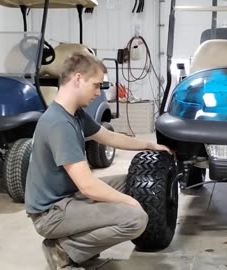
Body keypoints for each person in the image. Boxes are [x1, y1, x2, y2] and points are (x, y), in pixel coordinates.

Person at [24, 51, 172, 270]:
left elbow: (109, 137)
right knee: (135, 218)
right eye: (95, 85)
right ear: (77, 79)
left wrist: (150, 144)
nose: (98, 92)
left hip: (68, 197)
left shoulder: (74, 114)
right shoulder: (59, 124)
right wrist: (129, 202)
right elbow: (88, 186)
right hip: (51, 213)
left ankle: (77, 247)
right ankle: (63, 251)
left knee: (132, 183)